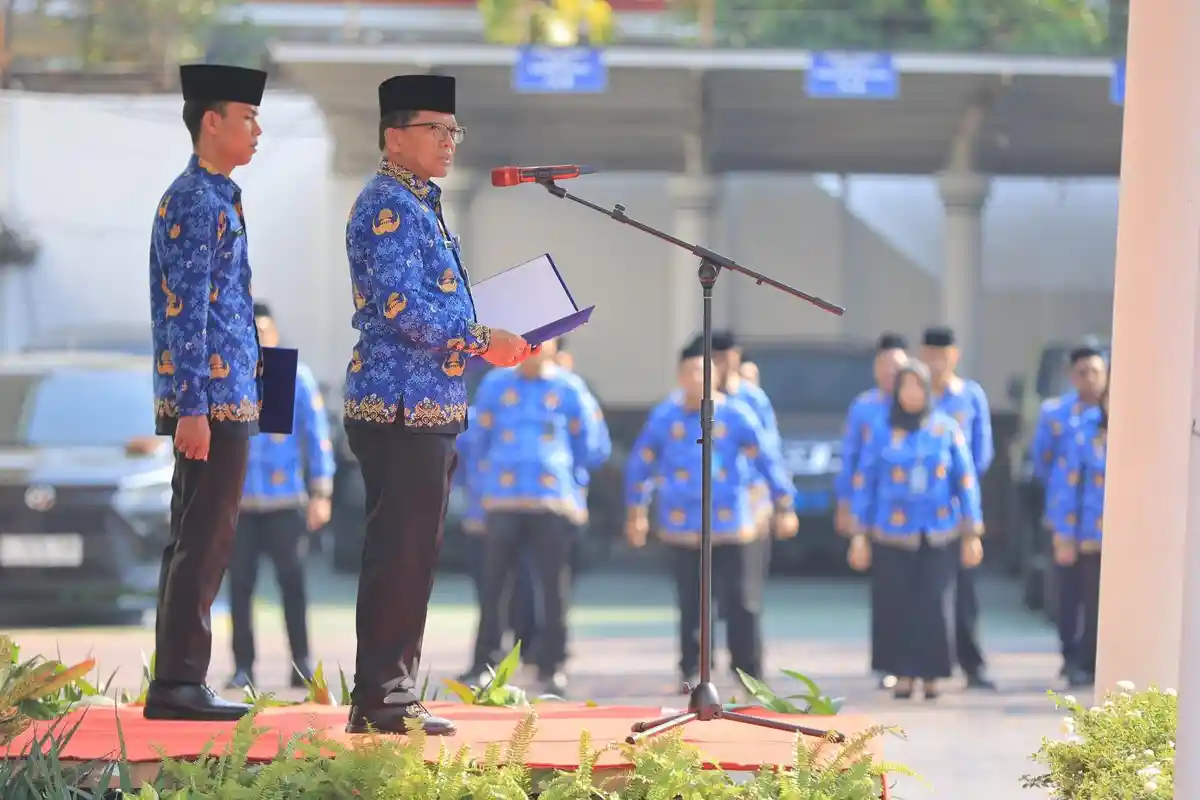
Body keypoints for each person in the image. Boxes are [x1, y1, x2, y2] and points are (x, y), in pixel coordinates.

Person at [341, 73, 531, 736]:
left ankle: (389, 690)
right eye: (436, 129)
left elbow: (436, 303)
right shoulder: (388, 206)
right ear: (395, 136)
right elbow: (404, 309)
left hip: (425, 403)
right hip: (397, 405)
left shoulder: (421, 203)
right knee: (400, 550)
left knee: (413, 551)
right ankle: (382, 696)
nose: (450, 142)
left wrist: (494, 329)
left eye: (455, 131)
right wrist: (483, 338)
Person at [144, 63, 268, 722]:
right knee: (203, 539)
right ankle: (179, 684)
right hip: (211, 404)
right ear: (211, 122)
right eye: (247, 117)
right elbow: (188, 309)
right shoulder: (197, 199)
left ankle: (177, 678)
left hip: (223, 397)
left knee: (197, 537)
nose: (257, 131)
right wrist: (193, 407)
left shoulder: (219, 195)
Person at [625, 340, 798, 688]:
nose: (696, 378)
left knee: (742, 602)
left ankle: (748, 672)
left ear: (715, 374)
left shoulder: (736, 415)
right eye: (689, 371)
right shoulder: (665, 416)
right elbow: (641, 463)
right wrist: (636, 510)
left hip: (733, 524)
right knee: (691, 603)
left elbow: (768, 460)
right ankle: (692, 670)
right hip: (682, 524)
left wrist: (784, 504)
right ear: (678, 375)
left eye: (703, 371)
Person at [464, 338, 611, 695]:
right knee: (494, 585)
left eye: (543, 339)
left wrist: (577, 486)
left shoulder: (569, 387)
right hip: (502, 498)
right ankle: (486, 662)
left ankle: (553, 664)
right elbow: (474, 441)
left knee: (553, 587)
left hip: (553, 500)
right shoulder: (496, 383)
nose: (534, 345)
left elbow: (593, 445)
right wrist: (475, 498)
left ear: (556, 346)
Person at [846, 360, 984, 701]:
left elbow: (965, 481)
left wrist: (972, 532)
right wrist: (859, 534)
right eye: (905, 387)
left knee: (935, 605)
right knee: (896, 605)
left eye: (918, 387)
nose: (912, 393)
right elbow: (865, 482)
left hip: (938, 532)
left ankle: (933, 675)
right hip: (890, 534)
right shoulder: (880, 430)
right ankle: (902, 673)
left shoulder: (946, 429)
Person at [225, 302, 335, 692]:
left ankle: (301, 663)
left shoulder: (291, 378)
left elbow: (316, 437)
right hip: (239, 503)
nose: (259, 338)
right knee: (239, 586)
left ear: (274, 334)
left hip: (284, 501)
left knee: (293, 583)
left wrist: (321, 491)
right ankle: (243, 666)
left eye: (265, 331)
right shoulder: (229, 377)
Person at [920, 326, 995, 690]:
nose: (936, 362)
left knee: (965, 591)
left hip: (959, 509)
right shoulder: (914, 392)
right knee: (922, 591)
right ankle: (921, 665)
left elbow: (982, 453)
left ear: (955, 355)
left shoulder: (970, 396)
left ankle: (973, 664)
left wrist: (961, 489)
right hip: (920, 513)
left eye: (943, 354)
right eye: (930, 354)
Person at [834, 332, 909, 690]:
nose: (892, 374)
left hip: (921, 517)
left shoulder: (923, 407)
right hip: (877, 515)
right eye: (885, 366)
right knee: (886, 592)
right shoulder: (864, 408)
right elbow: (850, 459)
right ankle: (887, 664)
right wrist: (846, 504)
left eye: (898, 367)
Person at [1028, 345, 1107, 680]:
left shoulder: (1120, 419)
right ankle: (1072, 658)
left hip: (1109, 527)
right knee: (1068, 595)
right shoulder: (1066, 418)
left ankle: (1092, 661)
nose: (1090, 379)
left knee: (1098, 598)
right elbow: (1048, 467)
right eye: (1082, 372)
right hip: (1070, 520)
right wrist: (1062, 523)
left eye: (1097, 372)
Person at [457, 403, 542, 676]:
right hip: (486, 514)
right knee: (492, 588)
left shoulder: (539, 407)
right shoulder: (474, 417)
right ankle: (496, 654)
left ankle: (527, 648)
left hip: (522, 510)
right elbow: (457, 461)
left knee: (521, 583)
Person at [1047, 380, 1109, 688]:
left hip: (1132, 538)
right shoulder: (1084, 433)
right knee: (1086, 600)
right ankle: (1081, 661)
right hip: (1089, 534)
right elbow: (1067, 485)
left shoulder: (1141, 433)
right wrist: (1064, 535)